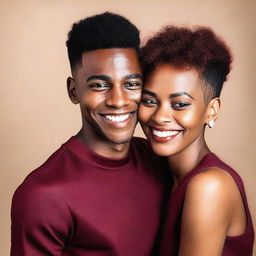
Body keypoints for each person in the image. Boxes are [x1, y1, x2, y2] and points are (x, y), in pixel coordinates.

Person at [11, 12, 167, 256]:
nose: (119, 101)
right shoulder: (42, 194)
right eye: (100, 85)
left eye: (131, 84)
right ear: (74, 91)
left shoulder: (160, 159)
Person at [139, 26, 254, 255]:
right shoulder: (159, 171)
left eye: (180, 104)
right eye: (149, 101)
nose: (160, 117)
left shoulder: (210, 186)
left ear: (212, 111)